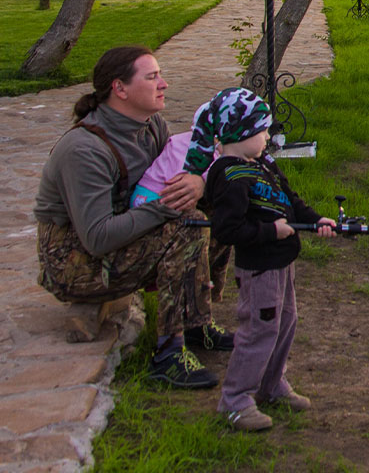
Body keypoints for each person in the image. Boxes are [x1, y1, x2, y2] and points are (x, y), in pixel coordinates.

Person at [34, 45, 232, 389]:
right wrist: (167, 206)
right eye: (152, 76)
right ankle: (169, 355)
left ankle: (196, 323)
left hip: (120, 233)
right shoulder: (84, 149)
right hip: (73, 261)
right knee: (185, 226)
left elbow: (173, 172)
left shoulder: (151, 124)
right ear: (119, 88)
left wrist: (199, 182)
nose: (164, 84)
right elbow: (96, 237)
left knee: (221, 203)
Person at [198, 87, 336, 431]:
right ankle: (235, 400)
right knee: (258, 331)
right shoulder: (229, 176)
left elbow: (290, 199)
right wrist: (270, 234)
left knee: (285, 324)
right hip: (259, 268)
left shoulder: (262, 163)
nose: (267, 137)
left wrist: (315, 219)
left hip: (281, 264)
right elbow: (227, 230)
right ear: (241, 134)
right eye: (262, 131)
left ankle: (271, 385)